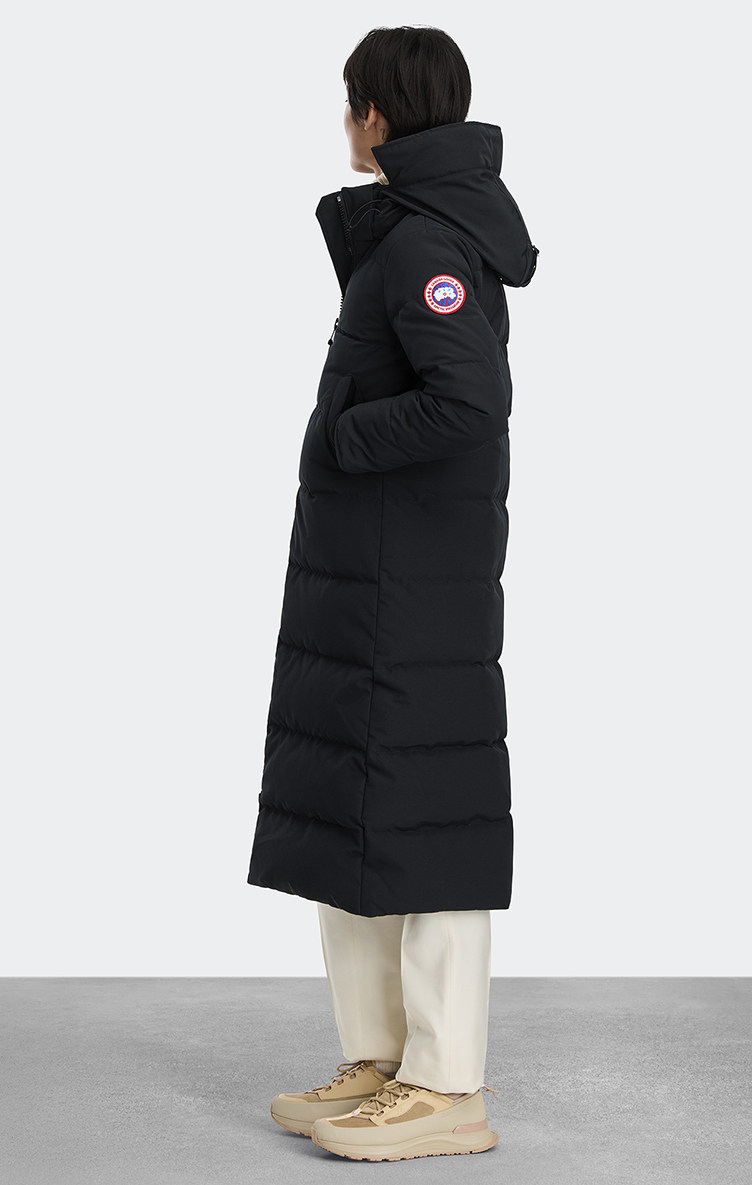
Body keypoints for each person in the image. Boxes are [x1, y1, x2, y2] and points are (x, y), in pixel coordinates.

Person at [247, 25, 539, 1161]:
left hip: (414, 584)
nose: (344, 120)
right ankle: (379, 1060)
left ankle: (447, 1086)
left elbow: (470, 400)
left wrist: (344, 436)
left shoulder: (430, 243)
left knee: (428, 818)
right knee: (359, 810)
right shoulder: (413, 228)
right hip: (370, 577)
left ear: (375, 112)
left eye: (349, 101)